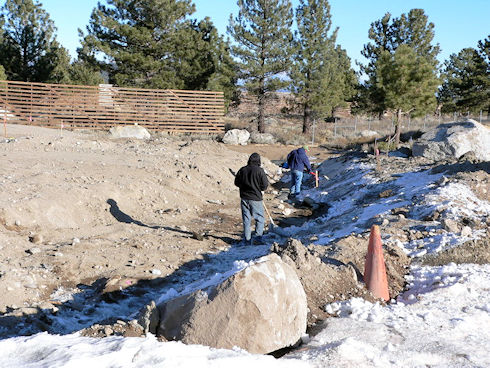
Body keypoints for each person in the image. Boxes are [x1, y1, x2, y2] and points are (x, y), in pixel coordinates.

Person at [234, 153, 269, 245]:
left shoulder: (242, 170)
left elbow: (236, 182)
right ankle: (258, 238)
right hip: (256, 199)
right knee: (259, 219)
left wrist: (244, 187)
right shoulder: (260, 171)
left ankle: (247, 240)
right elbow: (265, 185)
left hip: (244, 198)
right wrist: (258, 188)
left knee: (246, 219)